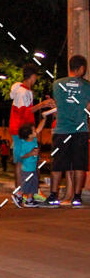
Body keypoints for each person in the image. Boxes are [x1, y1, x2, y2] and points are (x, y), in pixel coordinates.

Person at [46, 54, 90, 207]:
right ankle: (77, 197)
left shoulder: (57, 84)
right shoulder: (87, 86)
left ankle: (53, 195)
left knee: (57, 164)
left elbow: (57, 104)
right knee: (79, 165)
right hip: (80, 130)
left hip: (61, 130)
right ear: (82, 68)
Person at [9, 64, 54, 206]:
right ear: (33, 76)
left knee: (28, 160)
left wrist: (43, 105)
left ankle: (29, 193)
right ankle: (19, 194)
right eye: (36, 77)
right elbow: (24, 112)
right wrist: (42, 105)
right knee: (20, 161)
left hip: (25, 130)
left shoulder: (25, 91)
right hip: (20, 130)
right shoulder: (23, 92)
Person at [11, 114, 47, 208]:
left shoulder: (33, 138)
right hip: (27, 169)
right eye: (34, 131)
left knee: (34, 184)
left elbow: (39, 128)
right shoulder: (25, 144)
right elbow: (22, 156)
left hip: (33, 168)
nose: (36, 131)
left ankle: (29, 200)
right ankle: (18, 195)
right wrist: (31, 153)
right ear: (29, 135)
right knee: (26, 184)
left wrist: (44, 119)